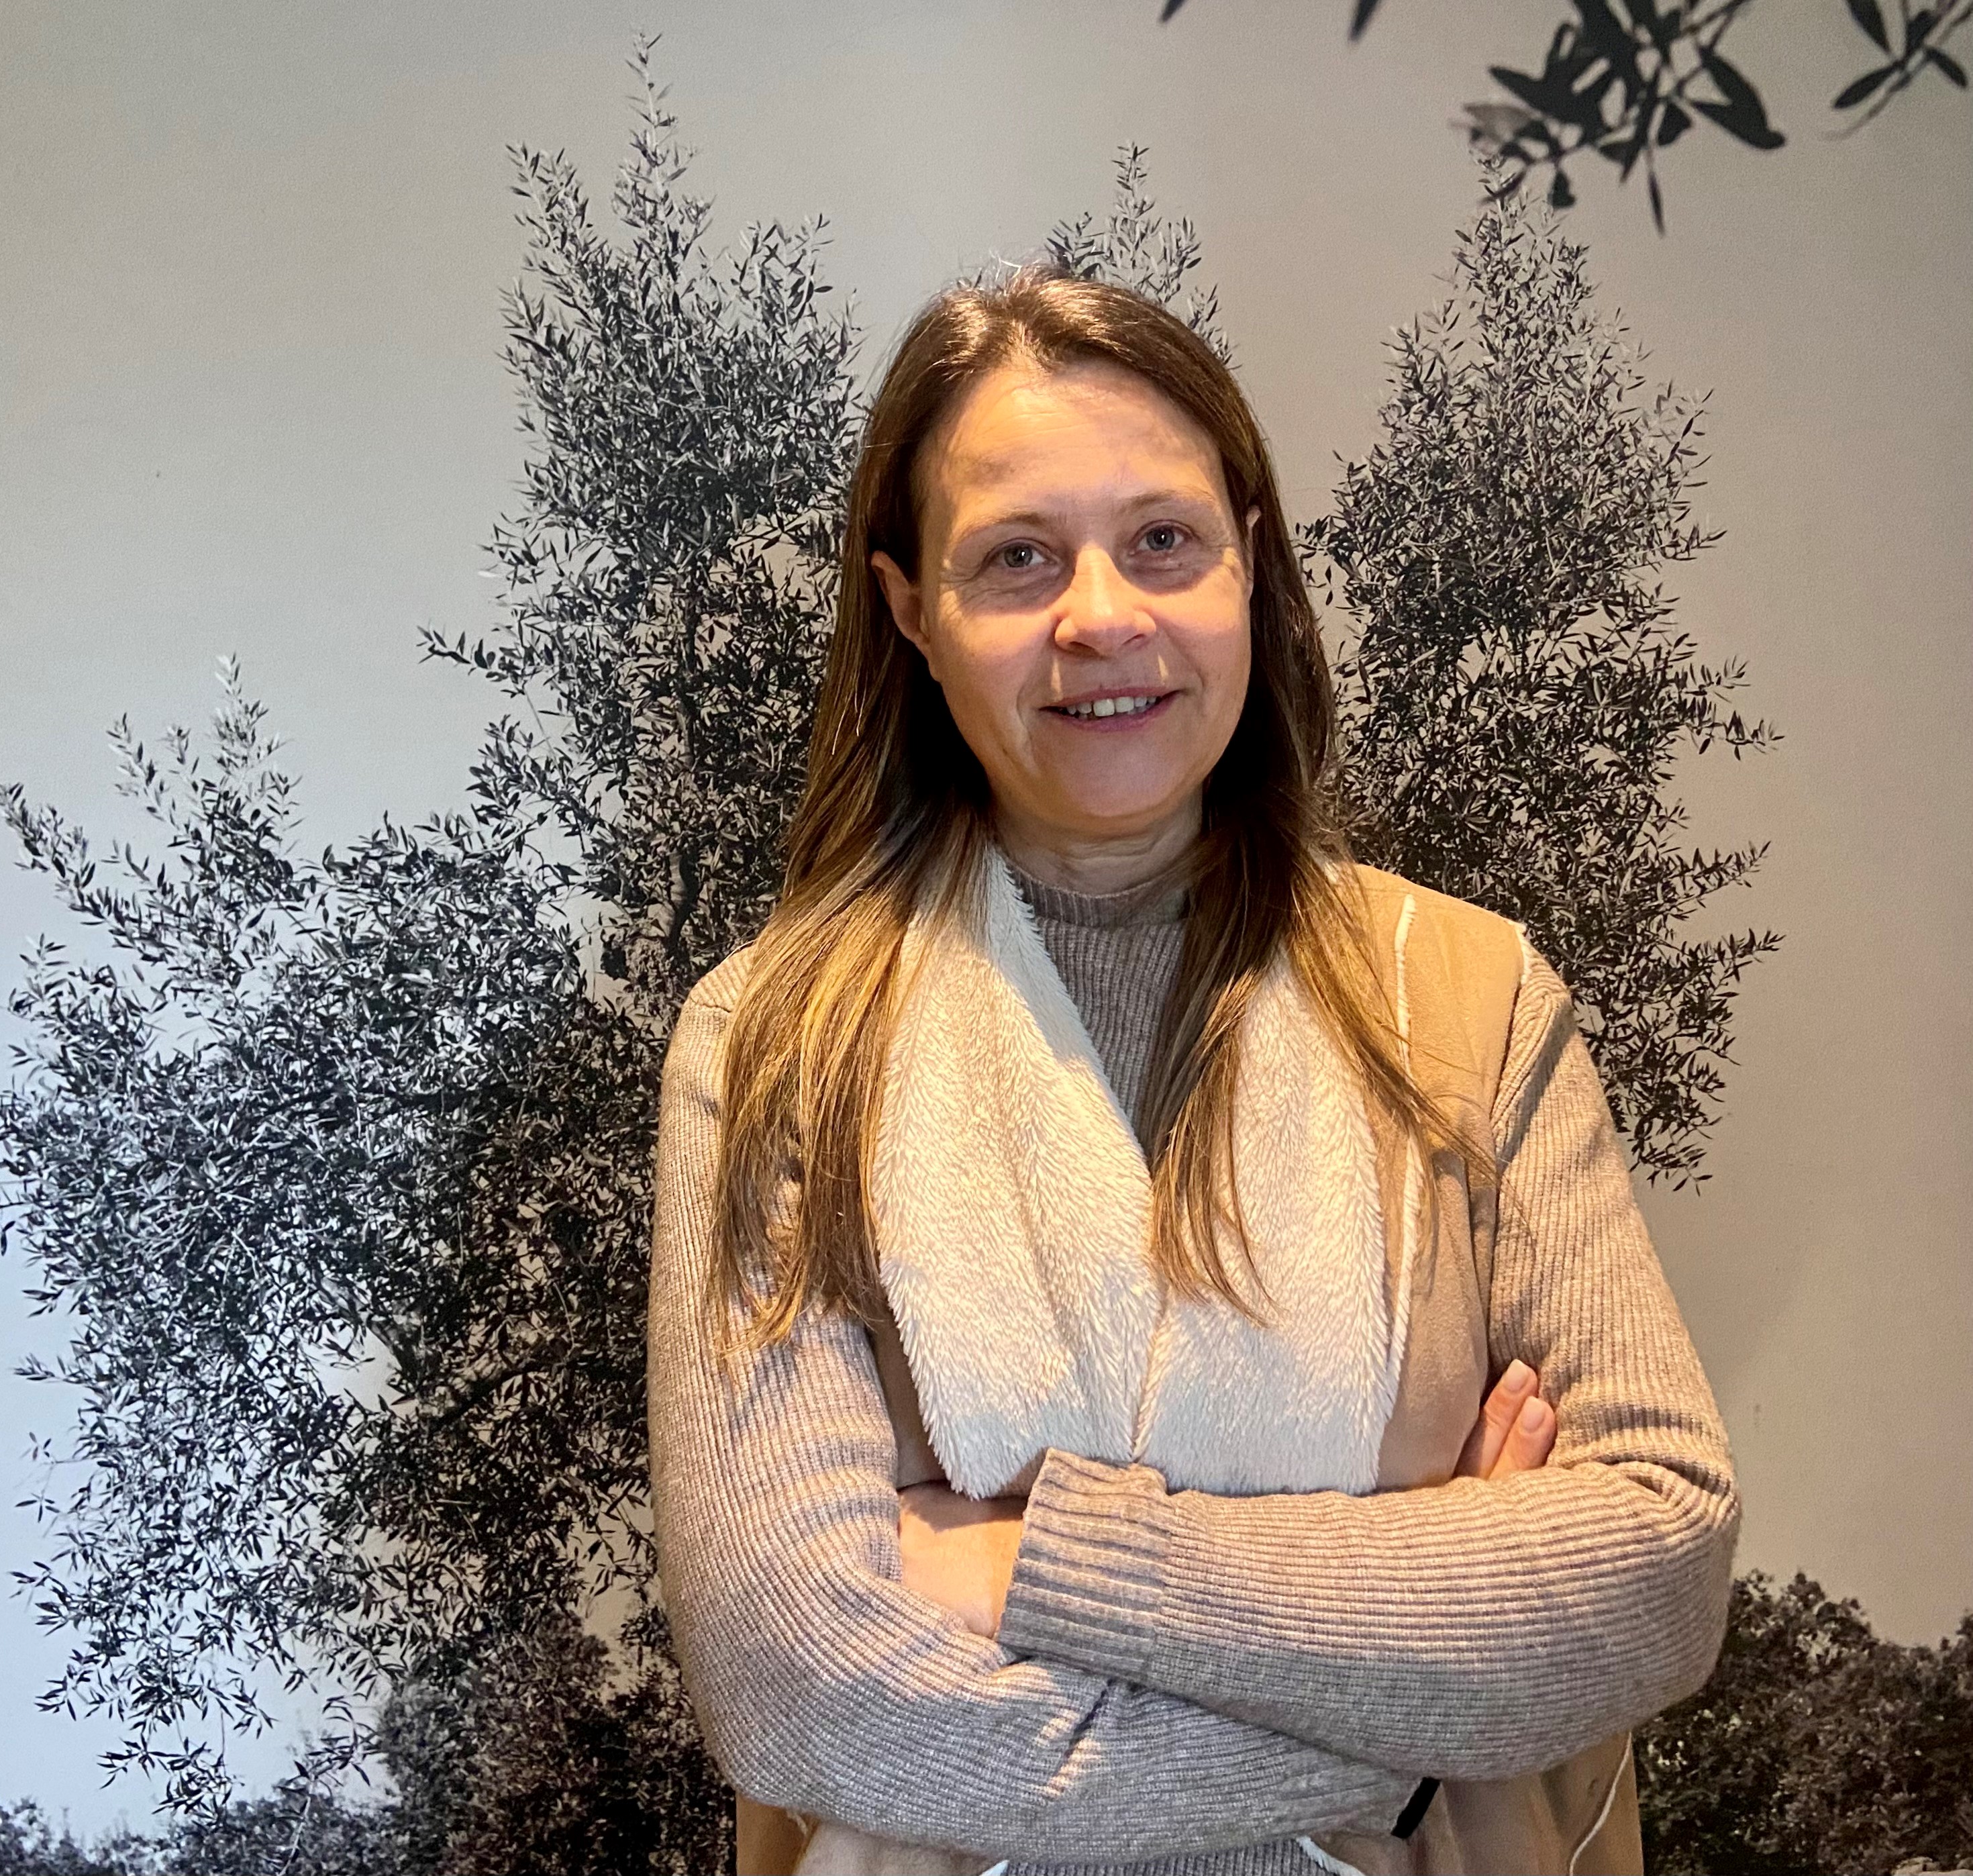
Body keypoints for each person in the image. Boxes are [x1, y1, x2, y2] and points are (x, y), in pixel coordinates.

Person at [645, 265, 1739, 1876]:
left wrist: (1054, 1564)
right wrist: (1419, 1719)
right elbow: (801, 1689)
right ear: (911, 612)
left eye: (1163, 538)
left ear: (1249, 563)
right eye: (1017, 557)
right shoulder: (775, 1047)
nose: (1102, 615)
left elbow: (1655, 1572)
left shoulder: (1473, 1002)